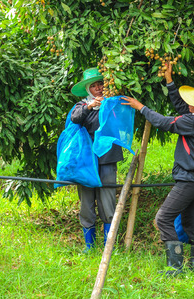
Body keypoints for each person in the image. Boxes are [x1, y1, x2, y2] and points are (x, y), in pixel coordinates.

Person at [121, 62, 194, 274]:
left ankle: (175, 267)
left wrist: (141, 107)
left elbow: (165, 122)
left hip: (189, 180)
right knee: (190, 224)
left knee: (163, 218)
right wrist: (170, 81)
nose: (189, 103)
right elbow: (183, 110)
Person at [70, 67, 123, 252]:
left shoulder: (112, 104)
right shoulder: (81, 106)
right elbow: (75, 119)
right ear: (88, 90)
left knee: (108, 202)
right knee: (86, 203)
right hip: (86, 163)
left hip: (107, 159)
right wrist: (90, 106)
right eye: (94, 86)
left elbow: (121, 122)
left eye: (101, 84)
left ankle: (109, 247)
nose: (99, 88)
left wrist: (107, 106)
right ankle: (89, 247)